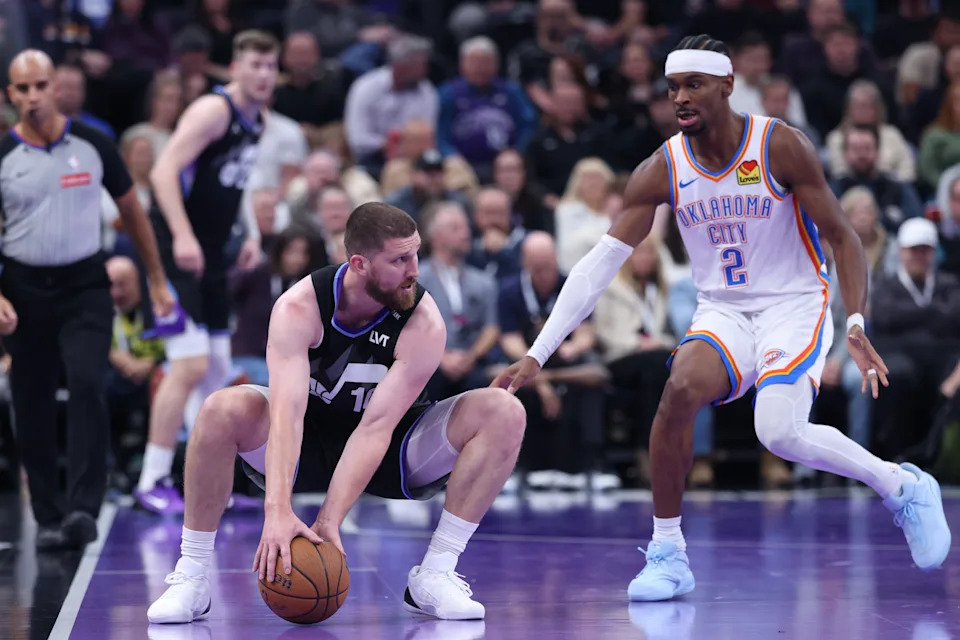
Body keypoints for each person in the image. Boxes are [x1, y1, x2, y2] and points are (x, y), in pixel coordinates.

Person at [494, 34, 952, 601]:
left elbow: (842, 235)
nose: (680, 98)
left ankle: (901, 485)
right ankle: (668, 552)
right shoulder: (663, 167)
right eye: (672, 88)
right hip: (723, 311)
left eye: (694, 84)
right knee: (677, 389)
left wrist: (855, 320)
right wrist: (539, 352)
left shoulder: (779, 146)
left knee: (777, 430)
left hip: (794, 303)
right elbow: (597, 266)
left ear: (728, 85)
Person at [146, 203, 525, 624]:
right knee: (221, 408)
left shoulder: (424, 320)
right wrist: (278, 510)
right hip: (302, 444)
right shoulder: (298, 307)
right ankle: (192, 575)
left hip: (390, 450)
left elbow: (375, 428)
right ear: (359, 263)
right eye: (400, 259)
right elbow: (288, 415)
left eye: (416, 254)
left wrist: (329, 521)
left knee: (503, 410)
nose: (415, 269)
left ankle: (436, 573)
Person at [0, 50, 173, 548]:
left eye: (40, 85)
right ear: (11, 96)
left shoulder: (94, 143)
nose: (33, 96)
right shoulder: (4, 155)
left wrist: (157, 278)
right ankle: (49, 517)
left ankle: (81, 509)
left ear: (58, 87)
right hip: (23, 287)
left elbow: (133, 213)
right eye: (22, 88)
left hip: (84, 285)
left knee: (85, 382)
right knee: (30, 399)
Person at [134, 30, 280, 514]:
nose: (262, 75)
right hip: (174, 253)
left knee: (219, 370)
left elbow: (232, 185)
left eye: (269, 66)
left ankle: (206, 482)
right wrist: (181, 235)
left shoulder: (257, 120)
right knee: (190, 365)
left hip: (212, 252)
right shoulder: (213, 111)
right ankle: (151, 479)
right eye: (254, 65)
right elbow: (161, 173)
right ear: (235, 69)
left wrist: (251, 236)